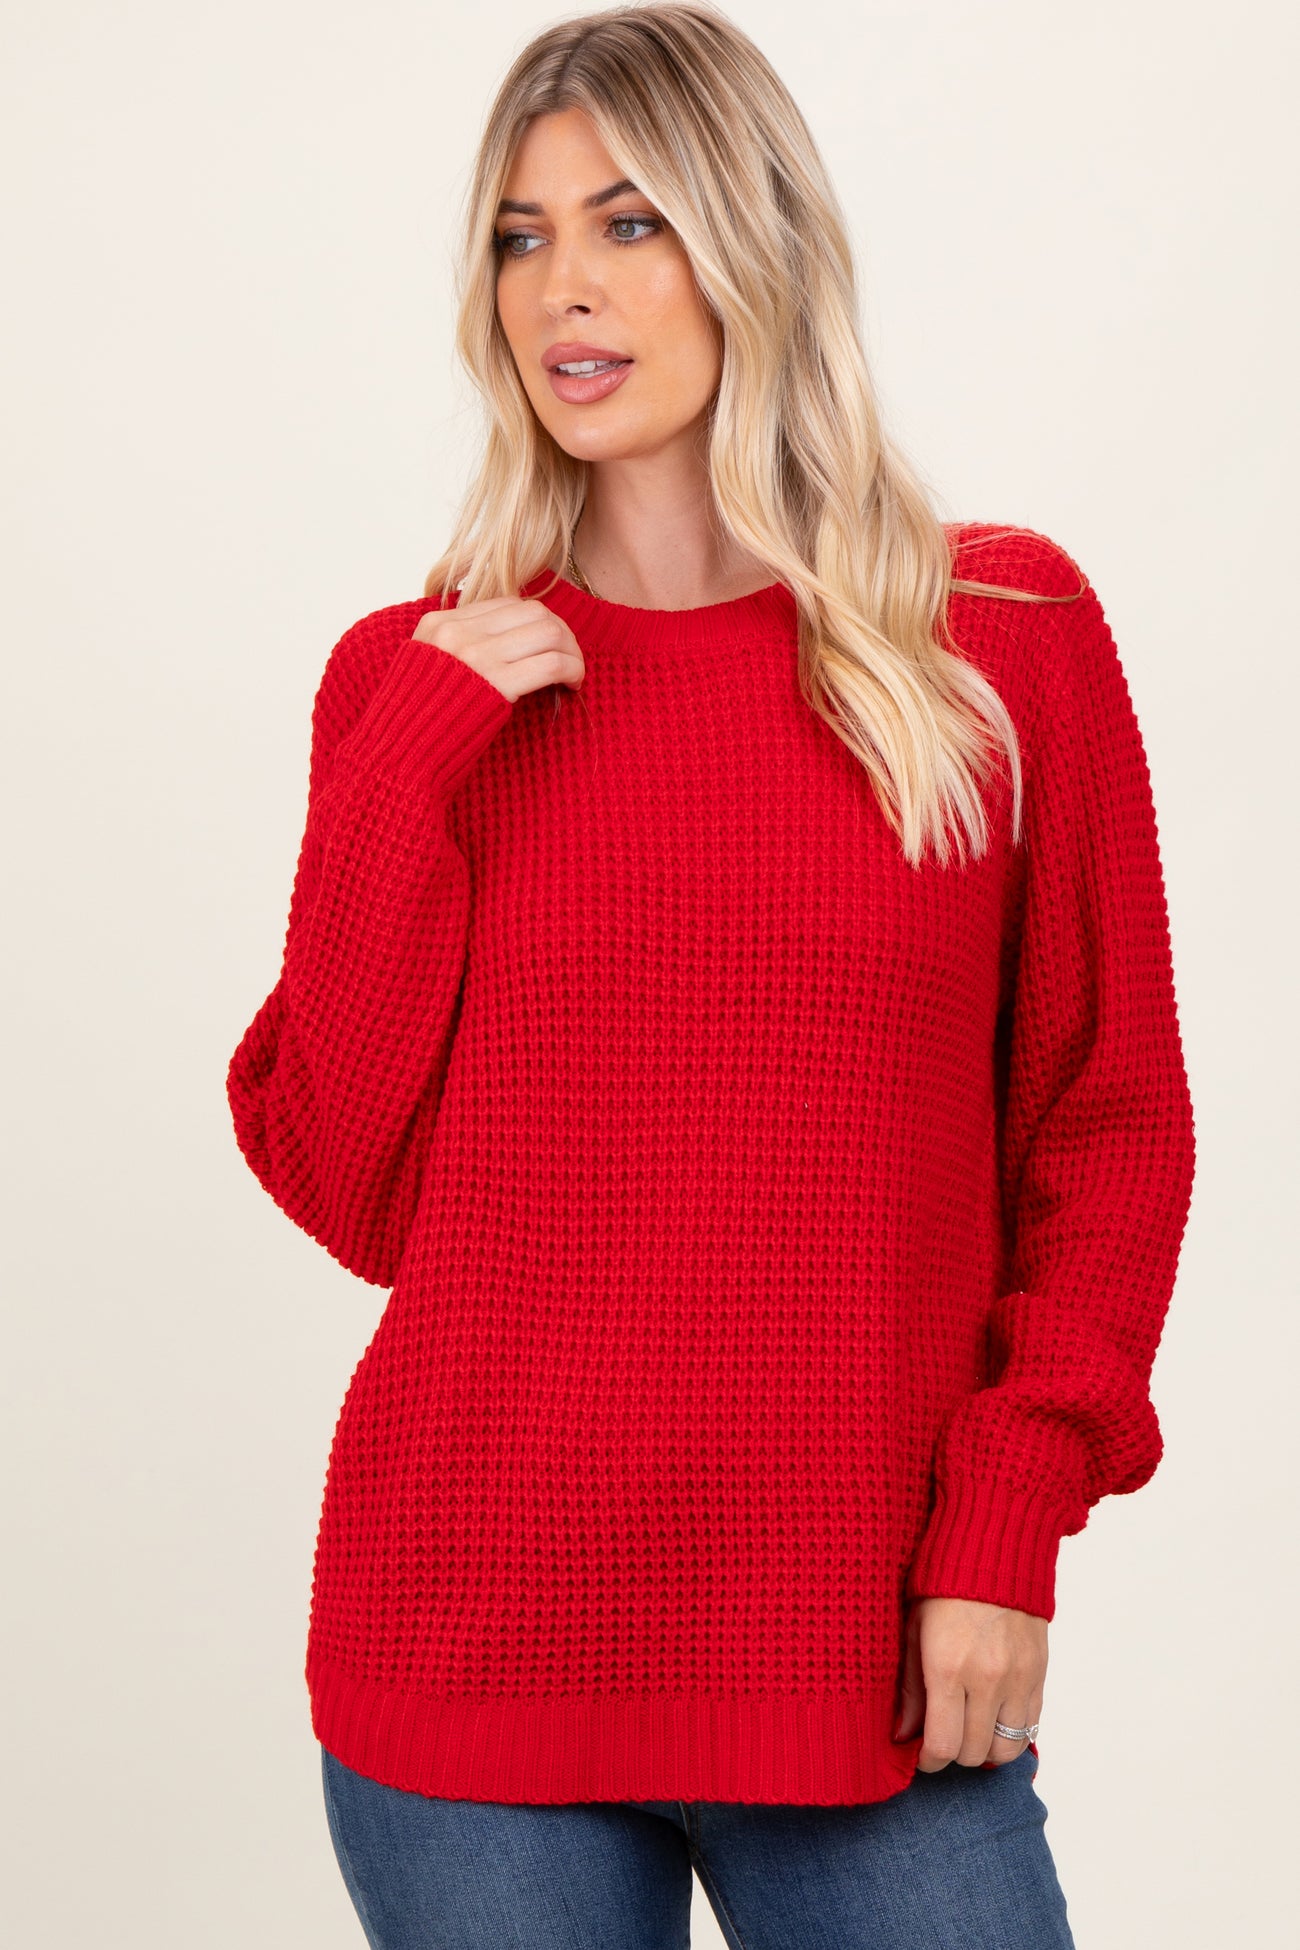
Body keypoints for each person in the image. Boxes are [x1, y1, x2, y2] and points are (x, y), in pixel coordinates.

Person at [225, 5, 1196, 1945]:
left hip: (866, 1648)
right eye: (519, 237)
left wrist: (1004, 1523)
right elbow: (347, 1186)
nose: (561, 289)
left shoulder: (994, 639)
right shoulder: (412, 684)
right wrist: (405, 769)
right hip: (474, 1649)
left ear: (755, 243)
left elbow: (1106, 1126)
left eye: (628, 222)